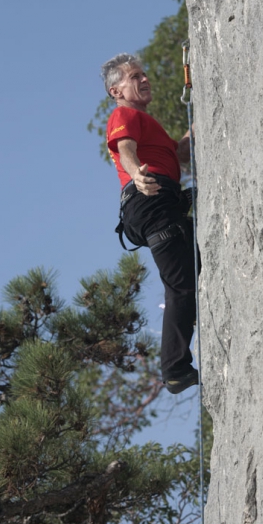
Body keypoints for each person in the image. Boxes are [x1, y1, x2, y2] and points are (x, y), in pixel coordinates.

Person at [101, 53, 199, 394]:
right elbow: (125, 149)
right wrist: (136, 174)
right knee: (182, 285)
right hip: (149, 197)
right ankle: (174, 369)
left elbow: (181, 153)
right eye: (135, 77)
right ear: (116, 91)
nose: (144, 80)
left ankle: (180, 350)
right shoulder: (122, 114)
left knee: (190, 266)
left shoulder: (149, 123)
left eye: (144, 74)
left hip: (161, 198)